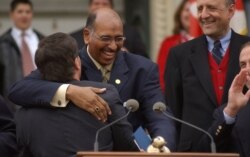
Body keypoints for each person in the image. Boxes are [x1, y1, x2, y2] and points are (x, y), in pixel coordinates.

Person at [9, 8, 176, 150]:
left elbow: (159, 114)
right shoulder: (71, 62)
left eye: (119, 39)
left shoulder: (143, 69)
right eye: (106, 38)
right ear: (87, 36)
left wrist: (162, 145)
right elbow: (19, 89)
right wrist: (69, 91)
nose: (113, 46)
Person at [15, 32, 138, 157]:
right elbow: (127, 147)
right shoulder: (104, 94)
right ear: (77, 63)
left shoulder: (24, 113)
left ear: (39, 71)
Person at [165, 0, 250, 152]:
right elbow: (172, 112)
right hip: (195, 151)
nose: (203, 15)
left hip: (241, 148)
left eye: (211, 8)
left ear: (230, 11)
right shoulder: (179, 54)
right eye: (200, 9)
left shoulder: (247, 50)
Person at [198, 42, 250, 156]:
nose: (248, 69)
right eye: (243, 65)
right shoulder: (228, 113)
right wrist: (231, 111)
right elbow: (206, 151)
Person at [0, 0, 43, 111]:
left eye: (27, 12)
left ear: (32, 14)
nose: (24, 15)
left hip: (41, 101)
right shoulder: (2, 43)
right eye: (20, 11)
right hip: (12, 105)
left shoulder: (43, 41)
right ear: (11, 14)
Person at [70, 0, 148, 58]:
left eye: (105, 4)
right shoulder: (73, 38)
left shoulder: (131, 33)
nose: (100, 7)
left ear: (112, 8)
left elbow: (145, 61)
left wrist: (128, 56)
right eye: (96, 3)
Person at [157, 0, 192, 91]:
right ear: (180, 13)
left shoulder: (212, 42)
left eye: (195, 10)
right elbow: (161, 75)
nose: (191, 14)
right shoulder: (169, 43)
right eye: (187, 10)